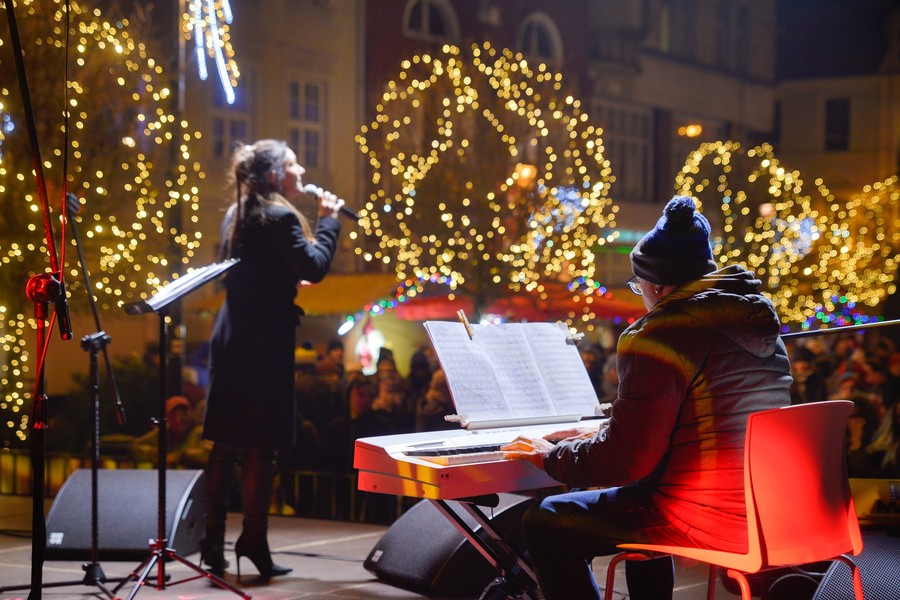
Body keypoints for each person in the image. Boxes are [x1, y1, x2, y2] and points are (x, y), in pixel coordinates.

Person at [502, 196, 792, 600]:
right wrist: (599, 432)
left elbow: (627, 460)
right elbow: (695, 422)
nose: (641, 295)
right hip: (771, 508)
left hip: (703, 515)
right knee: (647, 488)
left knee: (547, 519)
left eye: (639, 286)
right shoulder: (762, 329)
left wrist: (551, 455)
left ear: (656, 285)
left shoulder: (659, 333)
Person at [200, 139, 343, 579]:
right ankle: (254, 541)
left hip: (233, 335)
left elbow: (250, 268)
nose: (301, 168)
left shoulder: (237, 214)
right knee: (263, 447)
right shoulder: (281, 217)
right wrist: (330, 222)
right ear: (275, 176)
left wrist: (284, 273)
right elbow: (315, 266)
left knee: (226, 445)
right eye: (293, 163)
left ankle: (211, 540)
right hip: (264, 343)